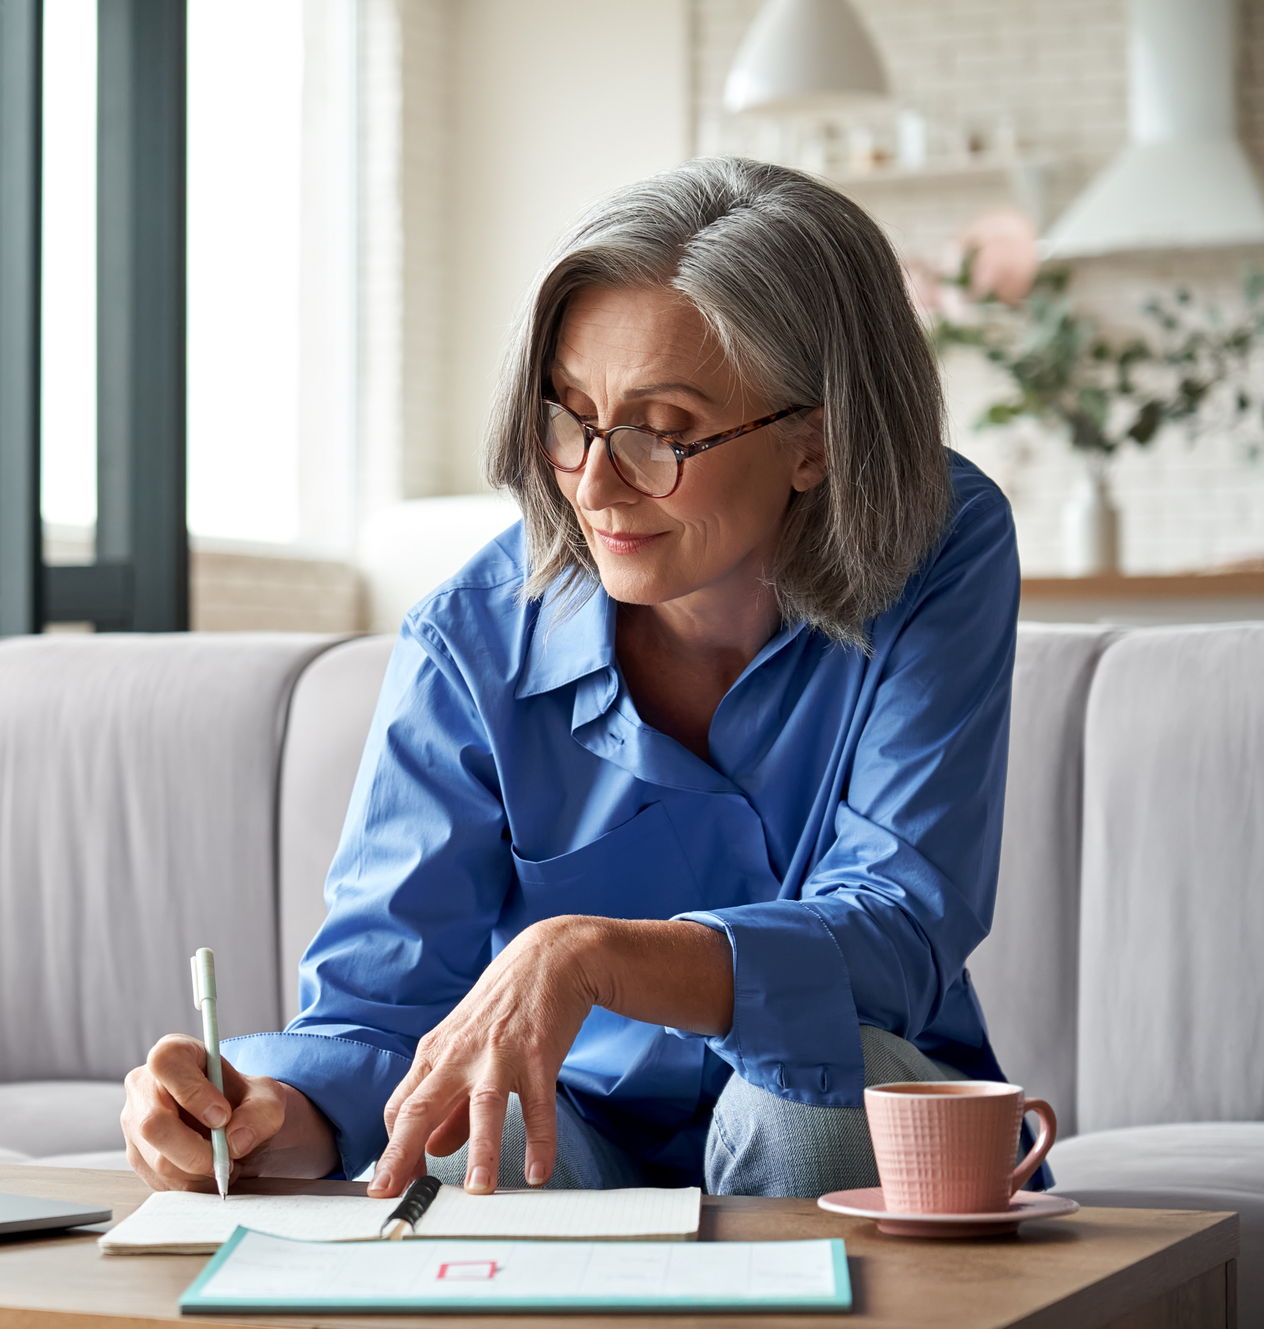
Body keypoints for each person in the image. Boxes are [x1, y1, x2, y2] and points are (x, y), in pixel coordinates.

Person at [121, 157, 1029, 1201]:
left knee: (806, 1085)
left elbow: (898, 920)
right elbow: (379, 1009)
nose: (593, 484)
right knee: (472, 1128)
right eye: (567, 417)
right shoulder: (468, 638)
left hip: (834, 1111)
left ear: (812, 444)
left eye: (660, 431)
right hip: (576, 1127)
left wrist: (593, 954)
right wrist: (264, 1115)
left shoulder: (938, 543)